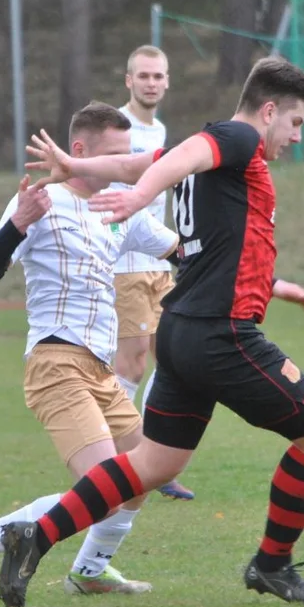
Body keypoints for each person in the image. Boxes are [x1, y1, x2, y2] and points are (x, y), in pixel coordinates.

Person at [0, 56, 304, 607]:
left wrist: (79, 166)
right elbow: (171, 161)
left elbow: (142, 164)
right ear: (270, 110)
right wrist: (137, 199)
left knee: (154, 466)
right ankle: (272, 564)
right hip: (221, 334)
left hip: (180, 329)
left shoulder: (222, 156)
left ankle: (34, 537)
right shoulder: (236, 137)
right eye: (296, 123)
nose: (297, 137)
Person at [0, 102, 179, 604]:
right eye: (113, 155)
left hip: (101, 371)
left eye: (127, 156)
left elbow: (179, 250)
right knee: (102, 489)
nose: (119, 166)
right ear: (79, 151)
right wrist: (17, 225)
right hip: (55, 364)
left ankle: (89, 570)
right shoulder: (42, 199)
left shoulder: (119, 206)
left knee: (145, 474)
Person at [110, 45, 194, 502]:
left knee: (173, 360)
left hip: (159, 263)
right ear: (128, 80)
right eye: (143, 76)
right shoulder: (118, 129)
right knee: (132, 362)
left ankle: (155, 461)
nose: (151, 83)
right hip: (125, 265)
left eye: (158, 76)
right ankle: (119, 462)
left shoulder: (160, 130)